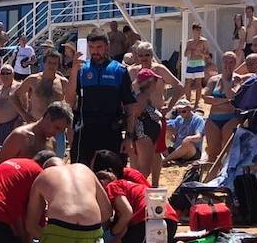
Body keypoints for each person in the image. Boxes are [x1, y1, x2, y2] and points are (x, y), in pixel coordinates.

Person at [26, 161, 110, 243]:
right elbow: (107, 211)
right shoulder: (85, 169)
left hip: (61, 225)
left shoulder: (43, 175)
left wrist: (49, 239)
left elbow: (31, 225)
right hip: (92, 225)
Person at [96, 171, 192, 243]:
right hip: (170, 219)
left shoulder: (112, 186)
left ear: (103, 182)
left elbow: (127, 214)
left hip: (147, 220)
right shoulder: (134, 185)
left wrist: (111, 234)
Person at [64, 29, 136, 166]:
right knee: (81, 175)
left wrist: (129, 137)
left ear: (107, 46)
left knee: (112, 175)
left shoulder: (118, 70)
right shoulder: (81, 69)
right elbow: (69, 99)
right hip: (85, 131)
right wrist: (73, 71)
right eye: (91, 47)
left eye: (99, 47)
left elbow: (130, 106)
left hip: (111, 131)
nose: (95, 51)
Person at [128, 41, 185, 185]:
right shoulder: (132, 71)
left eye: (146, 55)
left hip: (157, 115)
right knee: (135, 153)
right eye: (141, 55)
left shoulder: (159, 70)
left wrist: (170, 107)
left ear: (152, 55)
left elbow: (179, 86)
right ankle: (136, 185)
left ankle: (155, 185)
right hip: (138, 117)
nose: (144, 58)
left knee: (157, 152)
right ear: (137, 56)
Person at [12, 48, 69, 155]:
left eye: (55, 63)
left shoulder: (63, 82)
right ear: (44, 63)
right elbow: (14, 96)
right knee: (35, 161)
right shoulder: (33, 80)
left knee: (55, 162)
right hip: (36, 127)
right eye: (49, 62)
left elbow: (70, 102)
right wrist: (24, 114)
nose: (52, 65)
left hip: (57, 130)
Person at [0, 101, 73, 163]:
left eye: (60, 131)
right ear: (47, 118)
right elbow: (0, 166)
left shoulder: (52, 142)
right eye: (56, 128)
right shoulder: (20, 137)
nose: (56, 133)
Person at [202, 51, 240, 163]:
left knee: (228, 152)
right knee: (212, 153)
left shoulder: (237, 79)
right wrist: (225, 101)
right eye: (226, 61)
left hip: (230, 118)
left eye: (231, 62)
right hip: (213, 118)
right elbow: (206, 98)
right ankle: (212, 177)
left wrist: (225, 79)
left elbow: (231, 95)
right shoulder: (213, 80)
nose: (228, 64)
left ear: (235, 63)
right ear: (221, 62)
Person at [130, 68, 165, 180]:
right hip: (143, 134)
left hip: (147, 133)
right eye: (155, 80)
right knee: (143, 171)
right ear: (150, 82)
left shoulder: (145, 96)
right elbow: (134, 116)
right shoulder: (142, 97)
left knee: (144, 170)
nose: (156, 83)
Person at [0, 64, 21, 145]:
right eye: (3, 73)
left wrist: (17, 123)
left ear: (13, 74)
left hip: (11, 125)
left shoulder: (18, 87)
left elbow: (25, 106)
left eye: (8, 73)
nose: (5, 75)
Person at [183, 24, 209, 107]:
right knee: (188, 83)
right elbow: (185, 54)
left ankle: (197, 103)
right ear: (193, 31)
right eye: (197, 30)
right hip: (191, 62)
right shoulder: (190, 42)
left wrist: (200, 53)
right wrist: (190, 50)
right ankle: (188, 101)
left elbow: (207, 54)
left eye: (199, 30)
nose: (198, 32)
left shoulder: (203, 41)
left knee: (198, 83)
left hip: (199, 62)